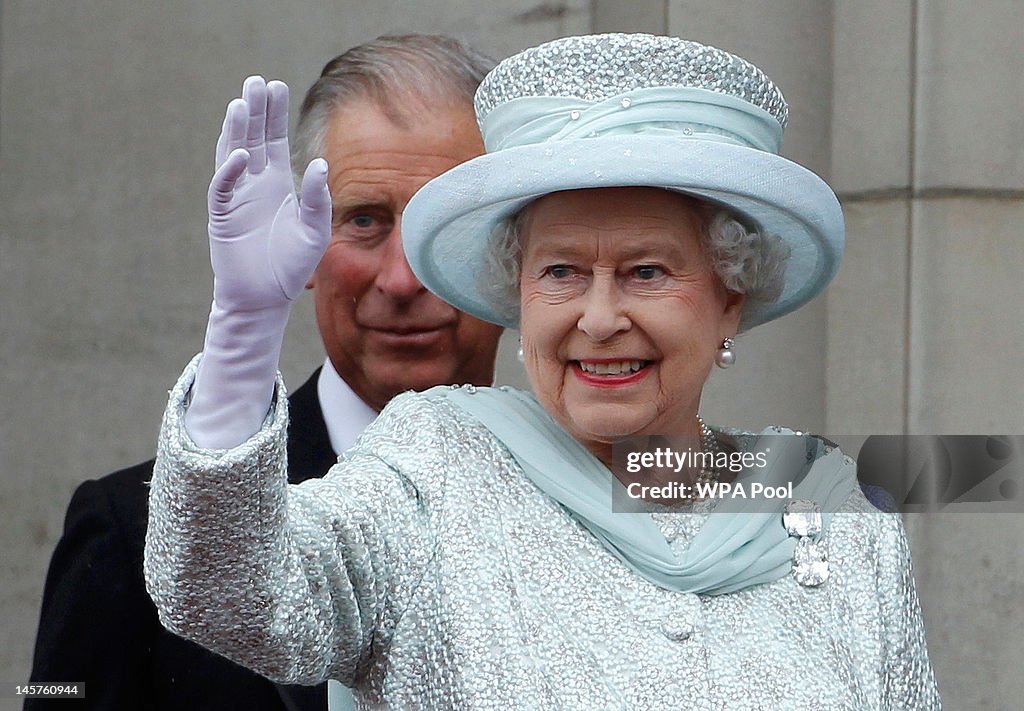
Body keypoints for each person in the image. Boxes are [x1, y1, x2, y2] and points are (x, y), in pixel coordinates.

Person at [144, 33, 941, 708]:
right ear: (516, 294)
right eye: (560, 272)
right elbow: (238, 596)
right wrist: (244, 328)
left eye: (647, 272)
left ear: (731, 297)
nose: (598, 318)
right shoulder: (434, 466)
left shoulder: (833, 510)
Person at [26, 34, 502, 711]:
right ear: (302, 245)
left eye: (439, 226)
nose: (401, 277)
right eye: (363, 221)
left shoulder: (594, 491)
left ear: (514, 255)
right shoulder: (129, 527)